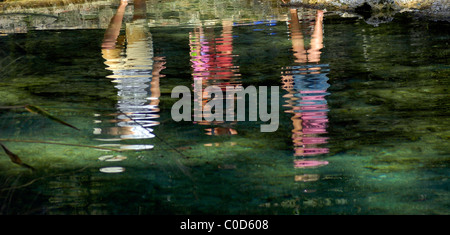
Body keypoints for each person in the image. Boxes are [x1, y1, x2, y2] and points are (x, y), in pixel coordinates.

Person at [97, 0, 165, 150]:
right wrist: (155, 72)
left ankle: (123, 4)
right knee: (138, 23)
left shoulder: (118, 123)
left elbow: (113, 111)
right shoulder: (142, 128)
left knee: (107, 46)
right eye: (107, 131)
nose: (106, 128)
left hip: (120, 76)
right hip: (142, 70)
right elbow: (154, 101)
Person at [281, 8, 330, 168]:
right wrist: (288, 88)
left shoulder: (321, 142)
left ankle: (319, 14)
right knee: (300, 54)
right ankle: (293, 11)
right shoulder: (302, 148)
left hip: (319, 94)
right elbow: (296, 116)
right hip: (302, 94)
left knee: (315, 53)